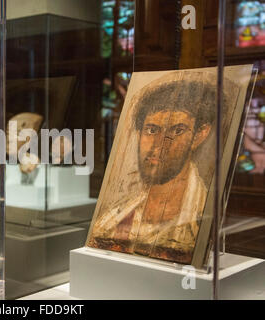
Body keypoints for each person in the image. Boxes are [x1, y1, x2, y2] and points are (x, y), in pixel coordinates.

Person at [88, 75, 221, 264]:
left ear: (200, 135)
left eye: (177, 130)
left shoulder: (203, 214)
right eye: (151, 130)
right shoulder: (112, 220)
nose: (159, 146)